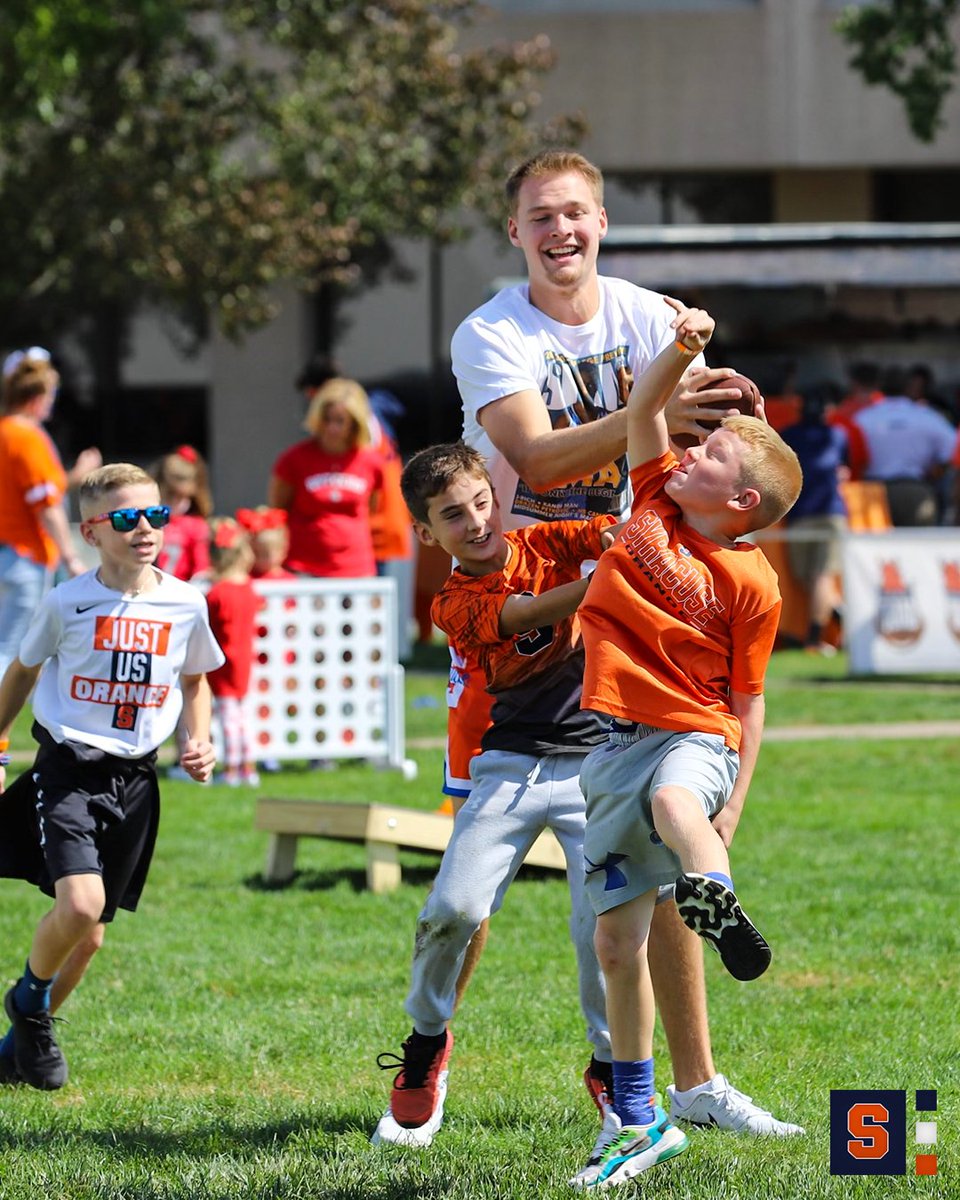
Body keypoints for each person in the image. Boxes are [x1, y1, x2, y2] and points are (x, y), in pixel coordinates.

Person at [448, 148, 802, 1137]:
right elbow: (537, 454)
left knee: (656, 852)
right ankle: (431, 1051)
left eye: (575, 213)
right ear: (514, 232)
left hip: (645, 602)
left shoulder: (650, 315)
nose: (560, 231)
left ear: (602, 221)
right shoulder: (489, 331)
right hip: (529, 608)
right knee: (471, 879)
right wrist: (659, 411)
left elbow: (718, 456)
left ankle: (687, 1086)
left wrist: (740, 419)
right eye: (538, 217)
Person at [572, 300, 803, 1187]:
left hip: (692, 740)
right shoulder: (653, 493)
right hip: (613, 748)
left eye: (710, 453)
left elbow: (749, 700)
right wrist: (682, 348)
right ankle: (639, 1119)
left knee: (679, 805)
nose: (687, 451)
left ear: (741, 502)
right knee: (616, 946)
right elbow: (641, 413)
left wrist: (733, 802)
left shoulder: (753, 583)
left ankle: (716, 895)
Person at [373, 442, 617, 1148]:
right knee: (452, 909)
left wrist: (626, 534)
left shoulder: (543, 539)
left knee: (602, 930)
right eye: (453, 516)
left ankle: (610, 1066)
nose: (477, 522)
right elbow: (530, 613)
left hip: (594, 765)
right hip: (507, 767)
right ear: (425, 534)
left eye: (482, 503)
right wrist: (612, 575)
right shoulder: (453, 602)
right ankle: (426, 1041)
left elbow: (609, 531)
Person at [0, 463, 222, 1089]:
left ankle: (14, 1050)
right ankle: (31, 1006)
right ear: (92, 532)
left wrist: (195, 740)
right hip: (69, 769)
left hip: (137, 780)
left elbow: (195, 681)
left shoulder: (185, 602)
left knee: (90, 939)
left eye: (156, 515)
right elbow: (22, 672)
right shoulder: (66, 601)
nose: (145, 528)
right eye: (126, 518)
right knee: (81, 902)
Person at [0, 356, 99, 680]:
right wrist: (70, 556)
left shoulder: (5, 433)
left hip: (9, 552)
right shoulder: (27, 437)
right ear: (38, 398)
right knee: (10, 652)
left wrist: (75, 475)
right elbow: (46, 504)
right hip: (23, 555)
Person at [268, 377, 384, 578]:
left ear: (354, 423)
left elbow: (374, 508)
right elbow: (278, 510)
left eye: (340, 421)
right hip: (303, 566)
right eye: (326, 419)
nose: (332, 428)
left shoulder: (372, 461)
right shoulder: (294, 459)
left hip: (356, 567)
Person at [781, 388, 849, 655]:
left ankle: (813, 638)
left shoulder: (788, 435)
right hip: (827, 514)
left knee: (816, 577)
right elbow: (846, 469)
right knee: (817, 577)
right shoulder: (837, 435)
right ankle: (841, 621)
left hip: (801, 514)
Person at [847, 366, 956, 526]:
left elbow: (848, 456)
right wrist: (936, 473)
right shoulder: (927, 417)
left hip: (872, 493)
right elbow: (953, 452)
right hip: (915, 490)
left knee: (873, 548)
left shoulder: (862, 418)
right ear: (909, 387)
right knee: (918, 547)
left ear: (880, 387)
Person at [206, 518, 261, 787]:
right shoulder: (249, 590)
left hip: (224, 665)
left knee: (228, 719)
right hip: (244, 663)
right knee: (244, 718)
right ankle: (248, 767)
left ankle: (230, 769)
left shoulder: (217, 593)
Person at [151, 445, 213, 581]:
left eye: (183, 497)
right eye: (171, 495)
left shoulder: (196, 526)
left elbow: (201, 567)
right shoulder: (147, 522)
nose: (176, 502)